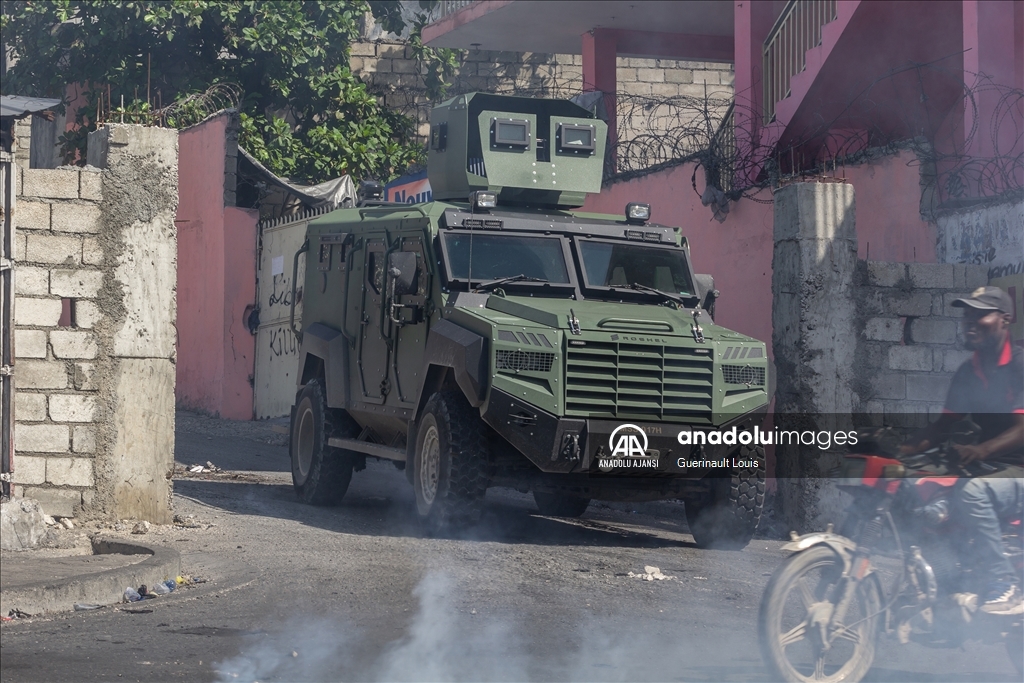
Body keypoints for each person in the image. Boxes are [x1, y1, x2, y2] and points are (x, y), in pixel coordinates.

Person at [900, 286, 1024, 615]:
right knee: (912, 488)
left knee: (970, 493)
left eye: (979, 313)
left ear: (1005, 320)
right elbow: (942, 427)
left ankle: (1004, 583)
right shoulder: (969, 372)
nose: (969, 321)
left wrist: (981, 450)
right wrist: (899, 451)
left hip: (1017, 471)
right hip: (991, 468)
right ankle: (938, 582)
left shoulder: (1020, 365)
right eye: (966, 313)